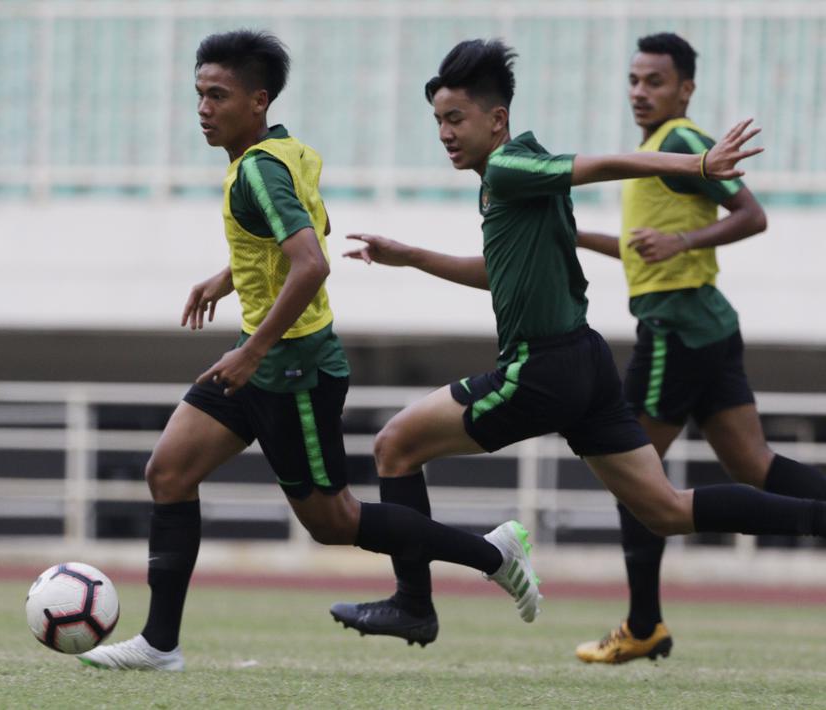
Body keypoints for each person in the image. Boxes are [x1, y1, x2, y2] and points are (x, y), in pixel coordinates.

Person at [330, 38, 826, 648]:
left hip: (540, 368)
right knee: (665, 509)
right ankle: (816, 517)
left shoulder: (513, 167)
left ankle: (414, 603)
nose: (444, 133)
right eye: (437, 120)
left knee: (394, 446)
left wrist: (695, 167)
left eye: (455, 119)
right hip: (584, 362)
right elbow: (498, 272)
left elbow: (595, 165)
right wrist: (410, 257)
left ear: (497, 118)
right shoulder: (515, 175)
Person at [78, 30, 541, 672]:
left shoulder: (259, 169)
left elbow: (311, 263)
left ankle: (495, 556)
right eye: (199, 95)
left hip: (293, 366)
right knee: (169, 472)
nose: (204, 109)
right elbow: (305, 227)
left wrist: (250, 351)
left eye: (218, 96)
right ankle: (160, 645)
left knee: (333, 521)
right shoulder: (285, 153)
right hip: (261, 356)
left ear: (257, 100)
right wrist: (228, 276)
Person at [572, 33, 826, 664]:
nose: (639, 91)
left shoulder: (683, 141)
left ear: (685, 88)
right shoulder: (657, 149)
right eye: (633, 80)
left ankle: (643, 624)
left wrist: (682, 247)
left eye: (654, 81)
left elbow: (752, 215)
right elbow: (645, 246)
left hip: (677, 330)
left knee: (636, 478)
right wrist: (571, 235)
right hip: (708, 325)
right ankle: (644, 623)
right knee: (754, 464)